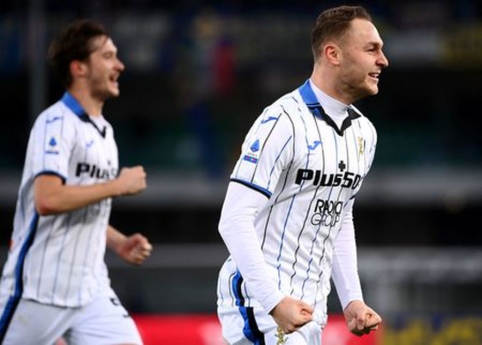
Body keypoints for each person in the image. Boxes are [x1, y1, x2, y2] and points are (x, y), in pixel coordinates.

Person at [216, 5, 388, 345]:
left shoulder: (364, 133)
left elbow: (339, 216)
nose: (383, 60)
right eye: (372, 49)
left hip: (309, 308)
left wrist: (351, 298)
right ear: (333, 53)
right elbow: (233, 219)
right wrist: (274, 301)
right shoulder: (282, 122)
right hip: (263, 304)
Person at [0, 19, 152, 344]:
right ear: (79, 68)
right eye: (108, 56)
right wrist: (119, 185)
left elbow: (83, 202)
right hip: (40, 288)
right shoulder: (55, 123)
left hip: (90, 288)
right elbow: (49, 199)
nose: (120, 65)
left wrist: (117, 242)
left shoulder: (105, 133)